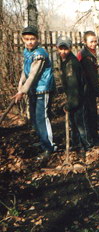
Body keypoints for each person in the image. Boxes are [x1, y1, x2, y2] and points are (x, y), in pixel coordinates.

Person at [13, 26, 56, 159]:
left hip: (43, 89)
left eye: (32, 39)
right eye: (27, 39)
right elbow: (25, 71)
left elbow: (33, 75)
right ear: (23, 40)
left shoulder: (40, 54)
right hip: (33, 90)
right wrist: (20, 86)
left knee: (41, 118)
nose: (30, 42)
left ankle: (49, 147)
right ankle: (43, 142)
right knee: (35, 119)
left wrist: (22, 92)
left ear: (37, 39)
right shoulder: (27, 52)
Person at [58, 36, 94, 151]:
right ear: (57, 48)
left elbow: (75, 87)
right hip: (73, 98)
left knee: (81, 123)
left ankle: (88, 145)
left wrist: (70, 104)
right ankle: (77, 145)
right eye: (61, 48)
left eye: (66, 49)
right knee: (74, 123)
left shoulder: (71, 64)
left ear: (70, 48)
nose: (63, 51)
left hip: (79, 98)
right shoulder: (65, 62)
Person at [76, 31, 99, 145]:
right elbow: (92, 77)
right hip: (86, 88)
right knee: (90, 113)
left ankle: (92, 137)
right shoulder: (85, 56)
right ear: (85, 42)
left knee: (91, 113)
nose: (94, 44)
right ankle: (92, 139)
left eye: (95, 41)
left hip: (88, 87)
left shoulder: (90, 53)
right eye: (91, 42)